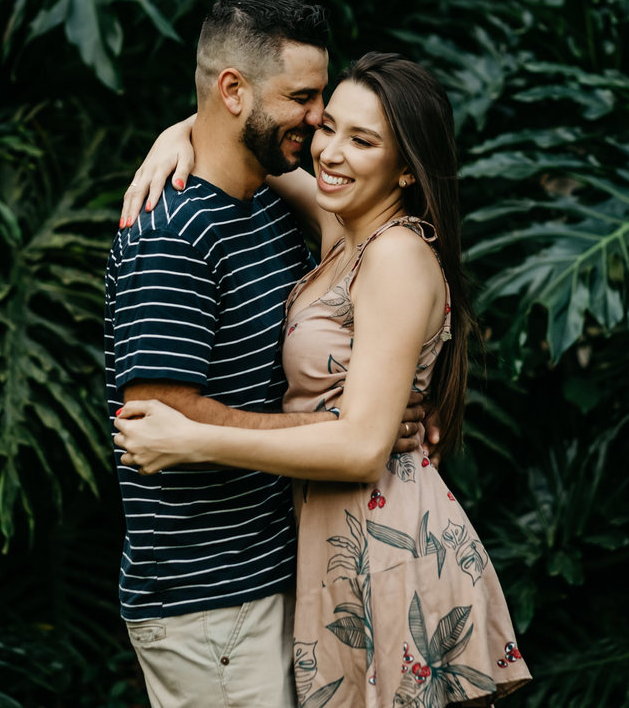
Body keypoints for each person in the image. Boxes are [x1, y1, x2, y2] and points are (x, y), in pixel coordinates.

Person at [116, 53, 531, 707]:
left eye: (362, 140)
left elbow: (362, 448)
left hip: (387, 545)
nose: (330, 153)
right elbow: (241, 138)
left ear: (405, 167)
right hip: (339, 544)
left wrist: (193, 439)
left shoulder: (394, 255)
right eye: (328, 127)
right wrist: (177, 136)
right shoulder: (348, 227)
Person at [104, 0, 426, 708]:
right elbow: (159, 421)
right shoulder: (173, 233)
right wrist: (336, 431)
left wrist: (181, 128)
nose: (318, 121)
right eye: (303, 98)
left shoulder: (274, 204)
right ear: (233, 91)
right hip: (209, 599)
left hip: (284, 572)